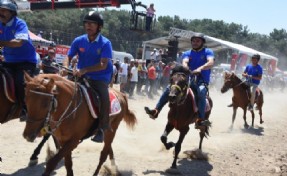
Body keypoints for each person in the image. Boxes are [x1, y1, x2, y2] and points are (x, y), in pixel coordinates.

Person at [62, 11, 113, 143]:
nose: (88, 26)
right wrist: (66, 67)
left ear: (99, 27)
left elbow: (102, 65)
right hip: (80, 74)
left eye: (92, 23)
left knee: (103, 98)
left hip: (100, 77)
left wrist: (84, 70)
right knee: (60, 90)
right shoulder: (78, 40)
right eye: (86, 23)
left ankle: (102, 128)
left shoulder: (105, 43)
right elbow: (68, 56)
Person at [145, 33, 215, 127]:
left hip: (201, 81)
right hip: (189, 79)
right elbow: (184, 62)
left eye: (198, 41)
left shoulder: (208, 52)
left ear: (202, 42)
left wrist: (200, 69)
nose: (195, 43)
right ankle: (156, 110)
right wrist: (186, 69)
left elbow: (211, 62)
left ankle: (200, 120)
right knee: (169, 88)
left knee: (201, 93)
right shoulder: (187, 53)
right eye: (193, 41)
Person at [0, 0, 37, 121]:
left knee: (20, 82)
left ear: (12, 12)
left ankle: (25, 109)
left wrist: (1, 43)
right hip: (8, 61)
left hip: (25, 61)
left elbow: (19, 42)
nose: (1, 13)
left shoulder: (20, 24)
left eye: (3, 10)